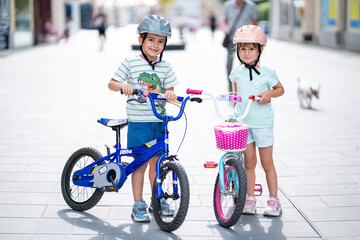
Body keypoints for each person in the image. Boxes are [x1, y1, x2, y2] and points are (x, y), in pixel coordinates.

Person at [108, 15, 178, 222]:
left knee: (157, 163)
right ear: (141, 40)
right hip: (139, 123)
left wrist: (171, 94)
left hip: (159, 122)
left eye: (161, 41)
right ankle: (138, 203)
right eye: (151, 40)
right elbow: (111, 83)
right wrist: (124, 86)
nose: (156, 45)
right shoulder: (130, 62)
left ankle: (157, 199)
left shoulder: (165, 67)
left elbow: (171, 88)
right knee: (139, 164)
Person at [229, 25, 285, 216]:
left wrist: (269, 93)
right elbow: (236, 98)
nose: (246, 53)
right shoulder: (236, 73)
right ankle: (250, 199)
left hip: (263, 123)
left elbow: (280, 89)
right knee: (249, 163)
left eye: (251, 48)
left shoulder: (268, 72)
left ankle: (274, 200)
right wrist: (234, 117)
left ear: (260, 50)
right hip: (245, 124)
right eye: (242, 48)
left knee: (267, 162)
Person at [224, 0, 257, 92]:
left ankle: (242, 87)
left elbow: (255, 23)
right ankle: (230, 88)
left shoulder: (251, 6)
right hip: (231, 39)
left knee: (244, 64)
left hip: (246, 41)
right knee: (229, 63)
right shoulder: (227, 5)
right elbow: (226, 21)